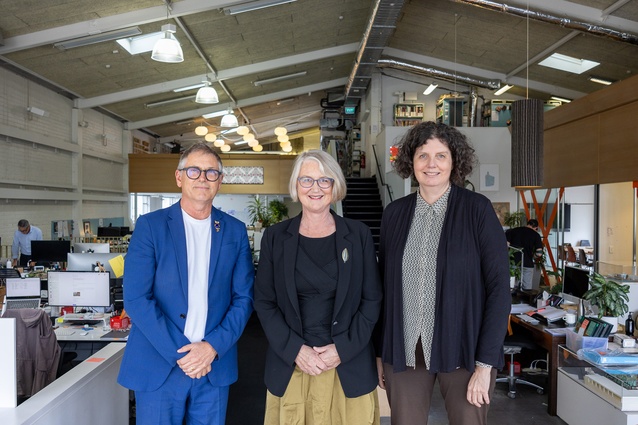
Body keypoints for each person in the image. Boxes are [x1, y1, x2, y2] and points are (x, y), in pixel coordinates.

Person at [376, 121, 511, 425]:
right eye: (423, 155)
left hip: (465, 349)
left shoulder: (477, 210)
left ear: (454, 162)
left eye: (441, 155)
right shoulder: (394, 214)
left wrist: (485, 365)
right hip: (405, 348)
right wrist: (379, 351)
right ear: (411, 161)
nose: (431, 164)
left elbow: (499, 288)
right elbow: (381, 289)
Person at [117, 143, 254, 425]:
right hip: (160, 365)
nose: (202, 178)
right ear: (179, 177)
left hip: (212, 366)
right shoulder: (150, 226)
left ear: (220, 180)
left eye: (211, 172)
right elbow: (136, 298)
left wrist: (211, 347)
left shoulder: (235, 231)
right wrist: (182, 354)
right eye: (194, 171)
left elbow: (244, 298)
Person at [254, 150, 382, 424]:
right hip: (292, 365)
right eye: (306, 180)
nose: (315, 188)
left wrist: (342, 349)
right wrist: (296, 351)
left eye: (324, 180)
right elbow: (265, 302)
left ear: (335, 186)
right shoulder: (275, 237)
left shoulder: (358, 234)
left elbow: (371, 300)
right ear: (295, 186)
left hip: (348, 366)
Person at [505, 219, 544, 290]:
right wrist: (532, 257)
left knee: (513, 287)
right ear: (536, 227)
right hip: (527, 264)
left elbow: (506, 246)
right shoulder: (536, 235)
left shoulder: (513, 231)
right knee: (527, 290)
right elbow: (539, 253)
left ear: (527, 224)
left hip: (514, 263)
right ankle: (525, 301)